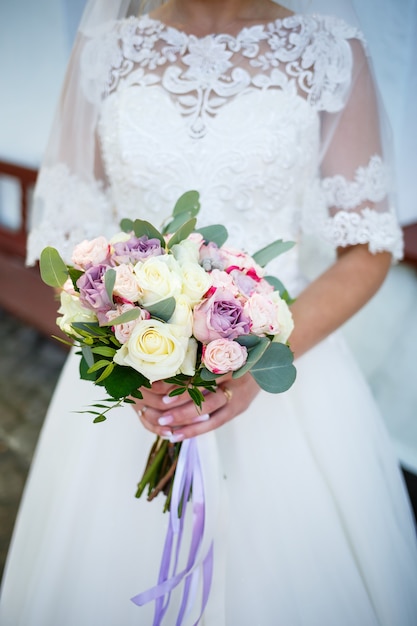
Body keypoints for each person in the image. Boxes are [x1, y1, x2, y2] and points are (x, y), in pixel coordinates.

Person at [1, 0, 417, 624]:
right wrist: (128, 346)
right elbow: (68, 230)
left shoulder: (329, 51)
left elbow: (368, 250)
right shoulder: (104, 49)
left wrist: (257, 367)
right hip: (134, 365)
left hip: (282, 361)